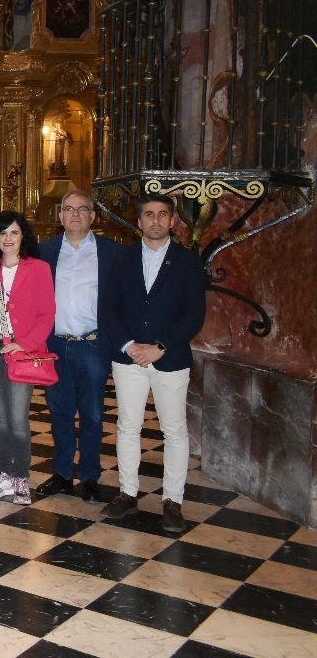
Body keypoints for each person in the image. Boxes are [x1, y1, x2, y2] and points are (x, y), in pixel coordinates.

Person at [99, 193, 205, 533]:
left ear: (172, 220)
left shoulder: (188, 262)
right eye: (149, 214)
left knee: (173, 429)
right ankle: (128, 493)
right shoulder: (122, 259)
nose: (155, 220)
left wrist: (160, 346)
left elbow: (194, 314)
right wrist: (130, 346)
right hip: (128, 357)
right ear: (140, 220)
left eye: (162, 214)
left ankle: (173, 500)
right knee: (128, 425)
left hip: (169, 357)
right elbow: (108, 309)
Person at [36, 190, 121, 502]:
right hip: (55, 345)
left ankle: (89, 476)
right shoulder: (44, 252)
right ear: (60, 216)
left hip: (93, 345)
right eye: (68, 209)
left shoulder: (112, 253)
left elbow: (120, 302)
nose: (75, 214)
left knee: (93, 414)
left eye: (82, 209)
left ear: (93, 217)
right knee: (59, 412)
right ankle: (61, 474)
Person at [0, 211, 55, 506]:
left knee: (18, 417)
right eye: (2, 233)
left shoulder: (39, 269)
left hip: (21, 351)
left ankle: (21, 477)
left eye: (14, 232)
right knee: (1, 417)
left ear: (23, 237)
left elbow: (47, 315)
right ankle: (4, 473)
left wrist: (23, 344)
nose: (8, 238)